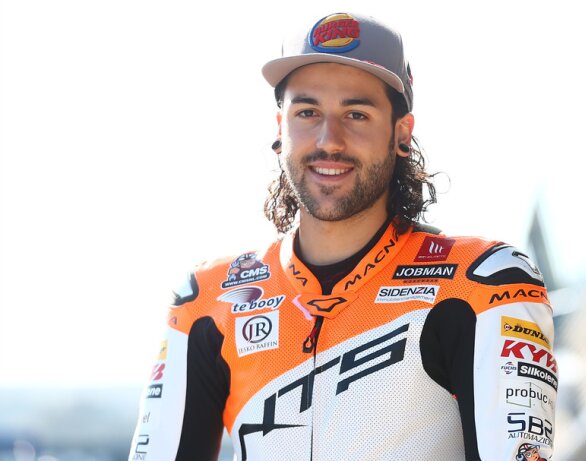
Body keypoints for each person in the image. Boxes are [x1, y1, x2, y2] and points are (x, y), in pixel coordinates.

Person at [128, 12, 557, 461]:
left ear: (402, 133)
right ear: (280, 129)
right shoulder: (206, 301)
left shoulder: (483, 283)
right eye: (307, 112)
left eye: (356, 114)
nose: (329, 140)